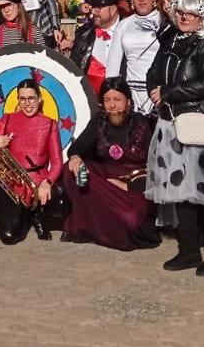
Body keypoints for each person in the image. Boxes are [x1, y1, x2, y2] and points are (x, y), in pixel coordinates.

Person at [146, 0, 204, 276]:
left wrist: (168, 92)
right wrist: (154, 90)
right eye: (181, 12)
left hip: (198, 123)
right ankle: (189, 250)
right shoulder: (171, 40)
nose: (184, 17)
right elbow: (153, 71)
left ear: (202, 18)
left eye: (191, 13)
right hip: (171, 123)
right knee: (180, 190)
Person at [59, 77, 155, 249]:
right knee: (71, 169)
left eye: (117, 100)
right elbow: (77, 148)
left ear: (128, 101)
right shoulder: (99, 121)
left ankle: (106, 220)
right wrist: (75, 158)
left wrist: (128, 185)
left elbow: (157, 167)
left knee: (130, 220)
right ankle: (91, 222)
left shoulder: (143, 124)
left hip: (134, 186)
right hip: (105, 183)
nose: (112, 105)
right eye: (107, 100)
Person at [0, 77, 62, 243]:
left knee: (62, 203)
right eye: (22, 98)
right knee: (9, 237)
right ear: (18, 99)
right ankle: (28, 214)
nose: (27, 103)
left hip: (38, 181)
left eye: (31, 98)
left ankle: (39, 215)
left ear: (39, 99)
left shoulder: (49, 123)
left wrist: (47, 182)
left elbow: (56, 162)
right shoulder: (7, 118)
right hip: (12, 182)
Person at [105, 0, 165, 116]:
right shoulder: (123, 25)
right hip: (132, 95)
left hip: (159, 92)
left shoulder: (165, 22)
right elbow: (112, 67)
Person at [70, 0, 122, 95]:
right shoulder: (83, 34)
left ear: (113, 9)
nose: (93, 12)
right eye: (93, 7)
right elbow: (73, 71)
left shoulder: (128, 32)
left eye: (98, 8)